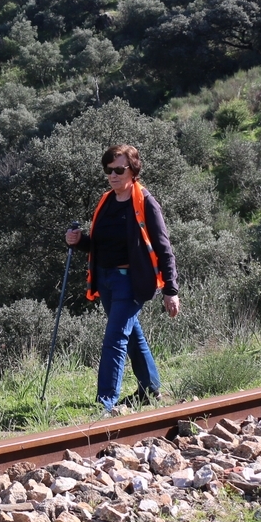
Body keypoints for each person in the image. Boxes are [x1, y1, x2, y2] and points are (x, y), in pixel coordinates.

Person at [64, 144, 180, 413]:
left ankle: (106, 402)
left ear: (133, 170)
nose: (113, 175)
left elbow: (164, 248)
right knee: (132, 334)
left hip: (131, 280)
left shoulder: (145, 203)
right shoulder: (106, 202)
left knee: (115, 337)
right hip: (104, 280)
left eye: (119, 169)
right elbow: (100, 244)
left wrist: (171, 290)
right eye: (109, 169)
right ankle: (150, 389)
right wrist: (79, 241)